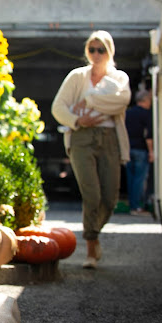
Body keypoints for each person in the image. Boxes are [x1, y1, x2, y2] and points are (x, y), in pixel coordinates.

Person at [51, 30, 131, 269]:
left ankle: (93, 232)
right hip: (81, 138)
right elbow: (58, 107)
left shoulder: (119, 78)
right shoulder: (77, 76)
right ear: (87, 51)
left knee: (109, 197)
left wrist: (89, 101)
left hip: (109, 138)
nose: (96, 54)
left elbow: (122, 101)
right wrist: (77, 120)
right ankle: (91, 245)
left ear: (110, 51)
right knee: (92, 194)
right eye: (92, 49)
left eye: (101, 50)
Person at [125, 89, 153, 215]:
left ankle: (132, 205)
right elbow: (148, 135)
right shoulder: (147, 114)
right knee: (139, 179)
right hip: (141, 149)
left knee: (130, 178)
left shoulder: (127, 113)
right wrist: (151, 151)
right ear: (147, 100)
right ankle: (136, 207)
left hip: (127, 148)